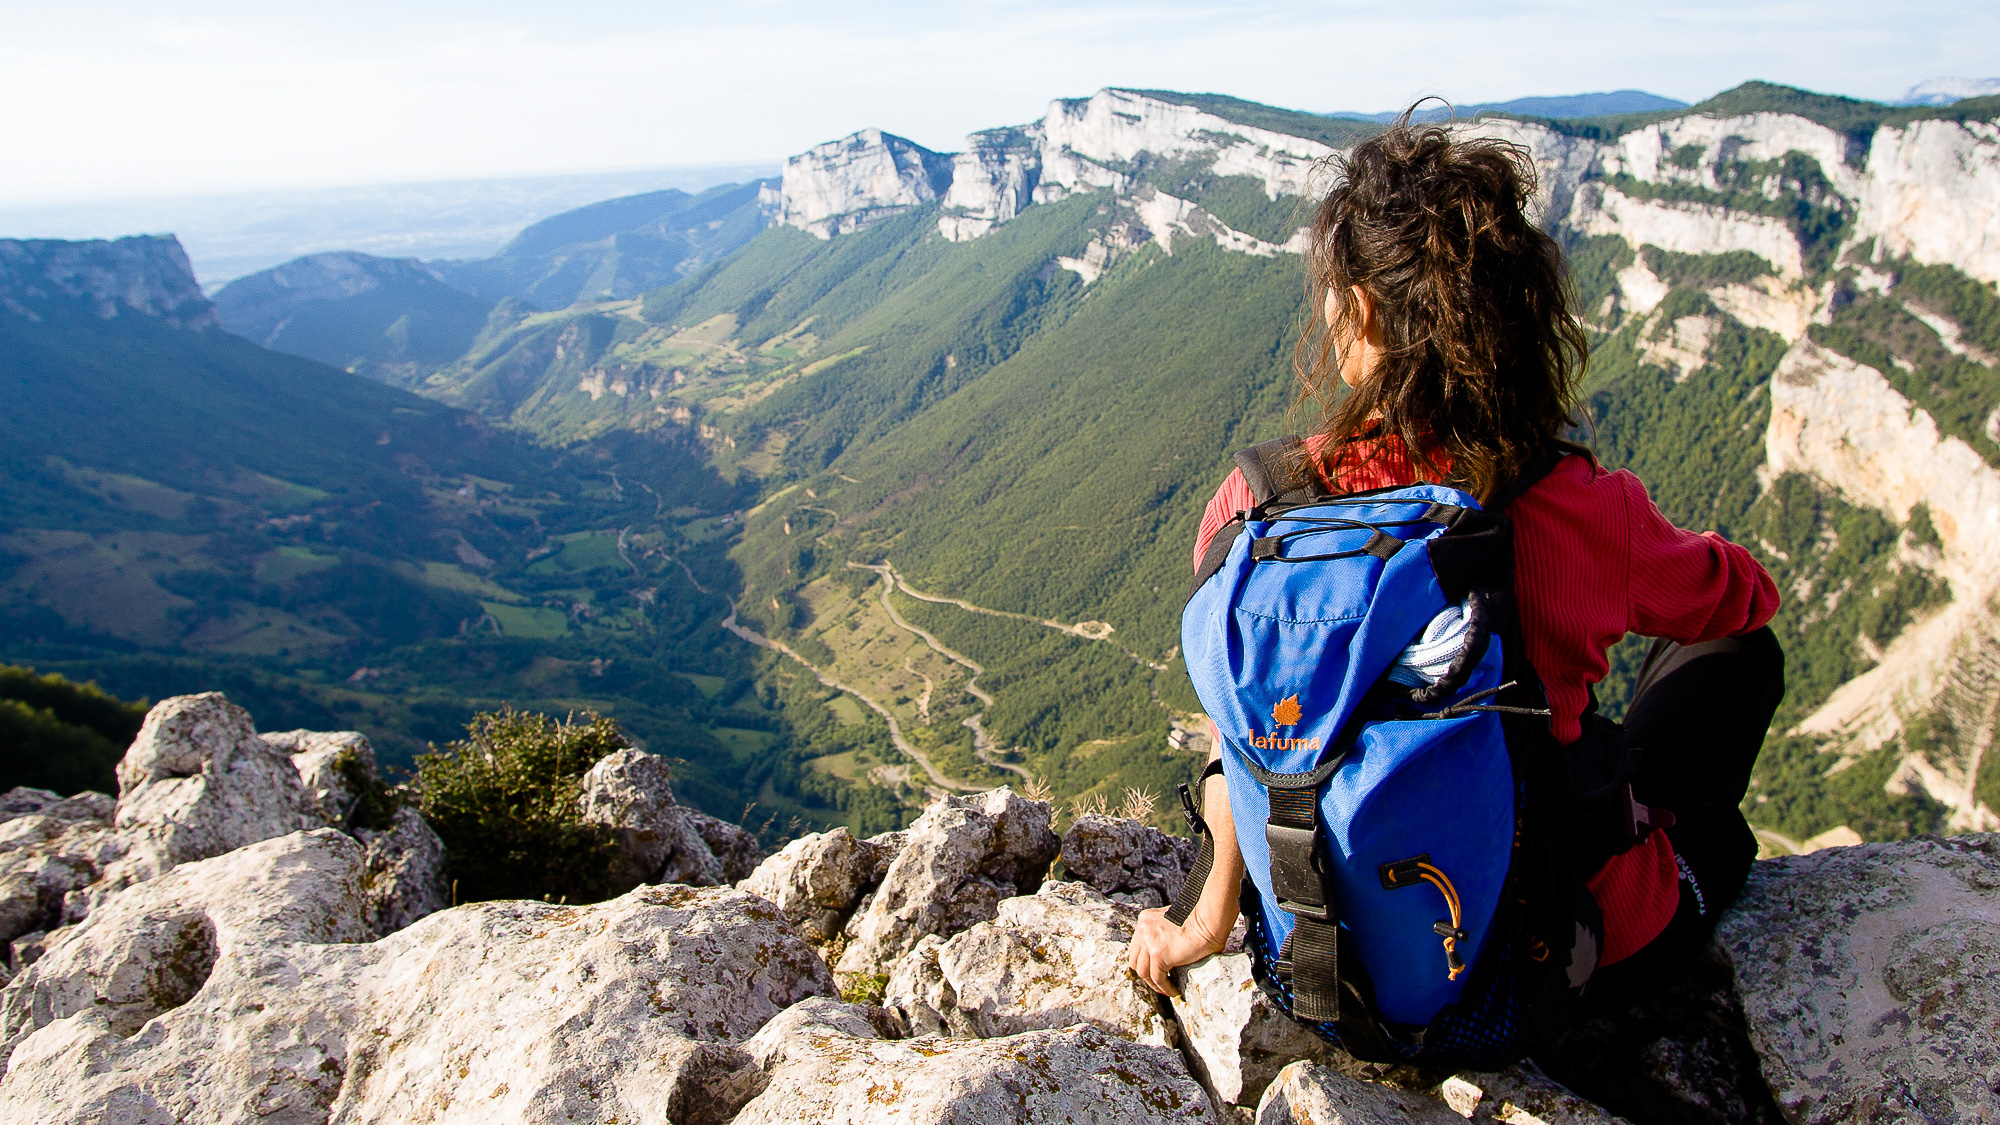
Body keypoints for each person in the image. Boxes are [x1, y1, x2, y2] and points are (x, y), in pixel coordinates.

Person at [1126, 114, 1783, 1019]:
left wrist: (1202, 920)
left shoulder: (1256, 511)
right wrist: (1634, 555)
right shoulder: (1583, 506)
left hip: (1339, 969)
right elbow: (1741, 599)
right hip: (1562, 955)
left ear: (1360, 313)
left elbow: (1239, 730)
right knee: (1735, 682)